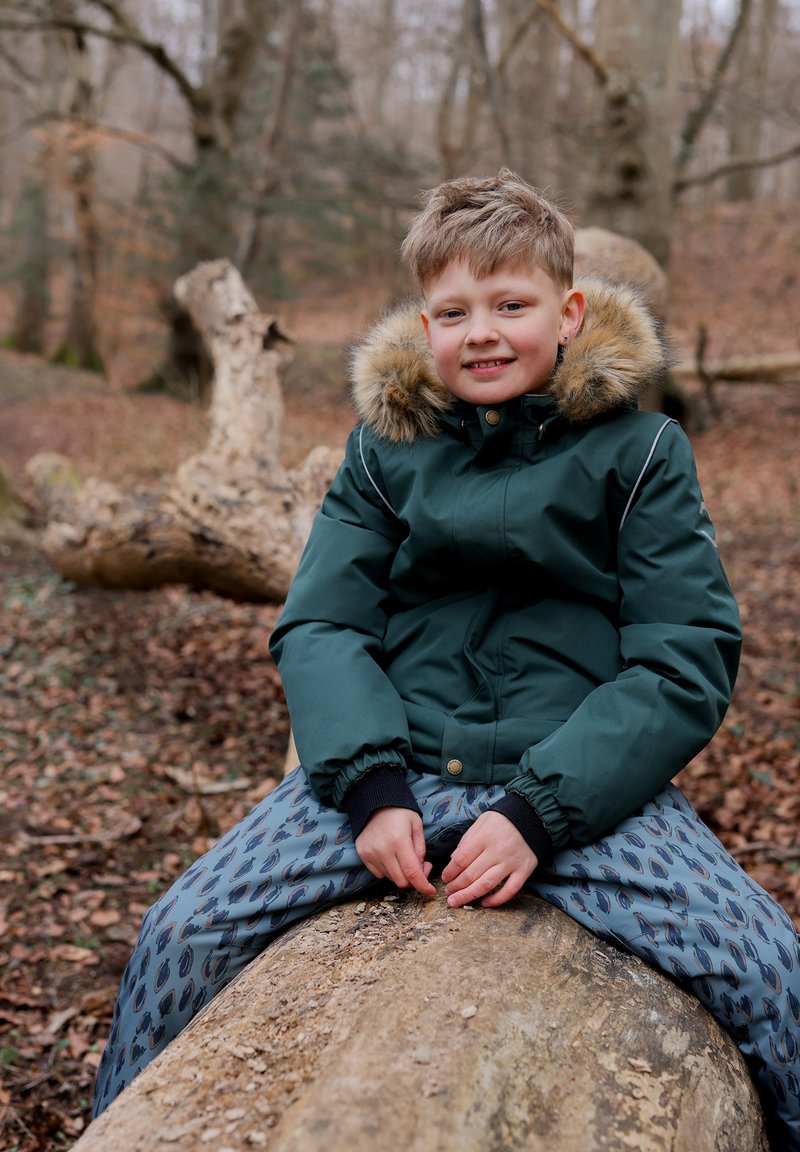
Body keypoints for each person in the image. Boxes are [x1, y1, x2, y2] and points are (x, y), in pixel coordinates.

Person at [93, 170, 800, 1148]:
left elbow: (683, 658)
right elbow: (322, 626)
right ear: (421, 325)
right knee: (178, 933)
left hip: (579, 796)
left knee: (770, 973)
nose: (481, 332)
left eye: (510, 305)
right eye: (452, 310)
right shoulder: (382, 454)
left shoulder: (639, 455)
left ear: (568, 310)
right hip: (397, 769)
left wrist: (537, 812)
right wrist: (370, 785)